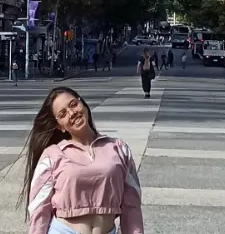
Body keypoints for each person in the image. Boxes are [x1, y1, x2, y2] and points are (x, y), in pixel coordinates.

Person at [22, 85, 143, 234]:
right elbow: (39, 208)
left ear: (83, 105)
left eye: (73, 104)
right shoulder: (52, 155)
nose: (72, 113)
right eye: (63, 113)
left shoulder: (118, 148)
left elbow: (132, 204)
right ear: (59, 126)